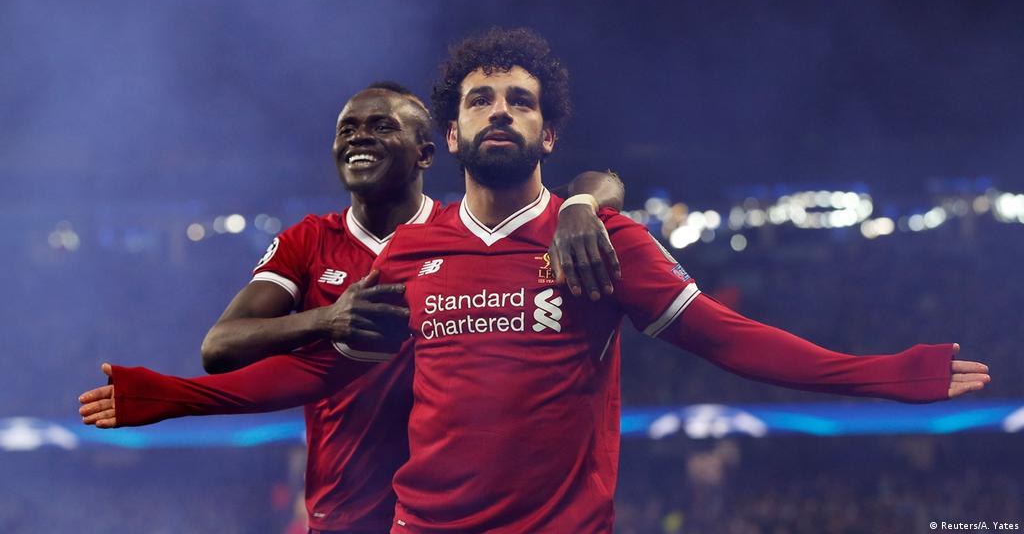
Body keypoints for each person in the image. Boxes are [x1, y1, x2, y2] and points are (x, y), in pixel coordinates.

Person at [82, 29, 991, 533]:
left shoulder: (603, 241)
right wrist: (168, 396)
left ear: (548, 133)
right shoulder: (411, 253)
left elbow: (730, 340)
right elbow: (321, 373)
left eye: (520, 101)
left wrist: (884, 373)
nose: (500, 112)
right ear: (451, 133)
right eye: (480, 99)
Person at [79, 80, 625, 534]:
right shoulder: (310, 241)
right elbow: (222, 347)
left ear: (426, 153)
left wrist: (579, 205)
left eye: (382, 126)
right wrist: (326, 319)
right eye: (347, 129)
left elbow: (604, 181)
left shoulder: (457, 236)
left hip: (450, 511)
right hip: (343, 510)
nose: (360, 137)